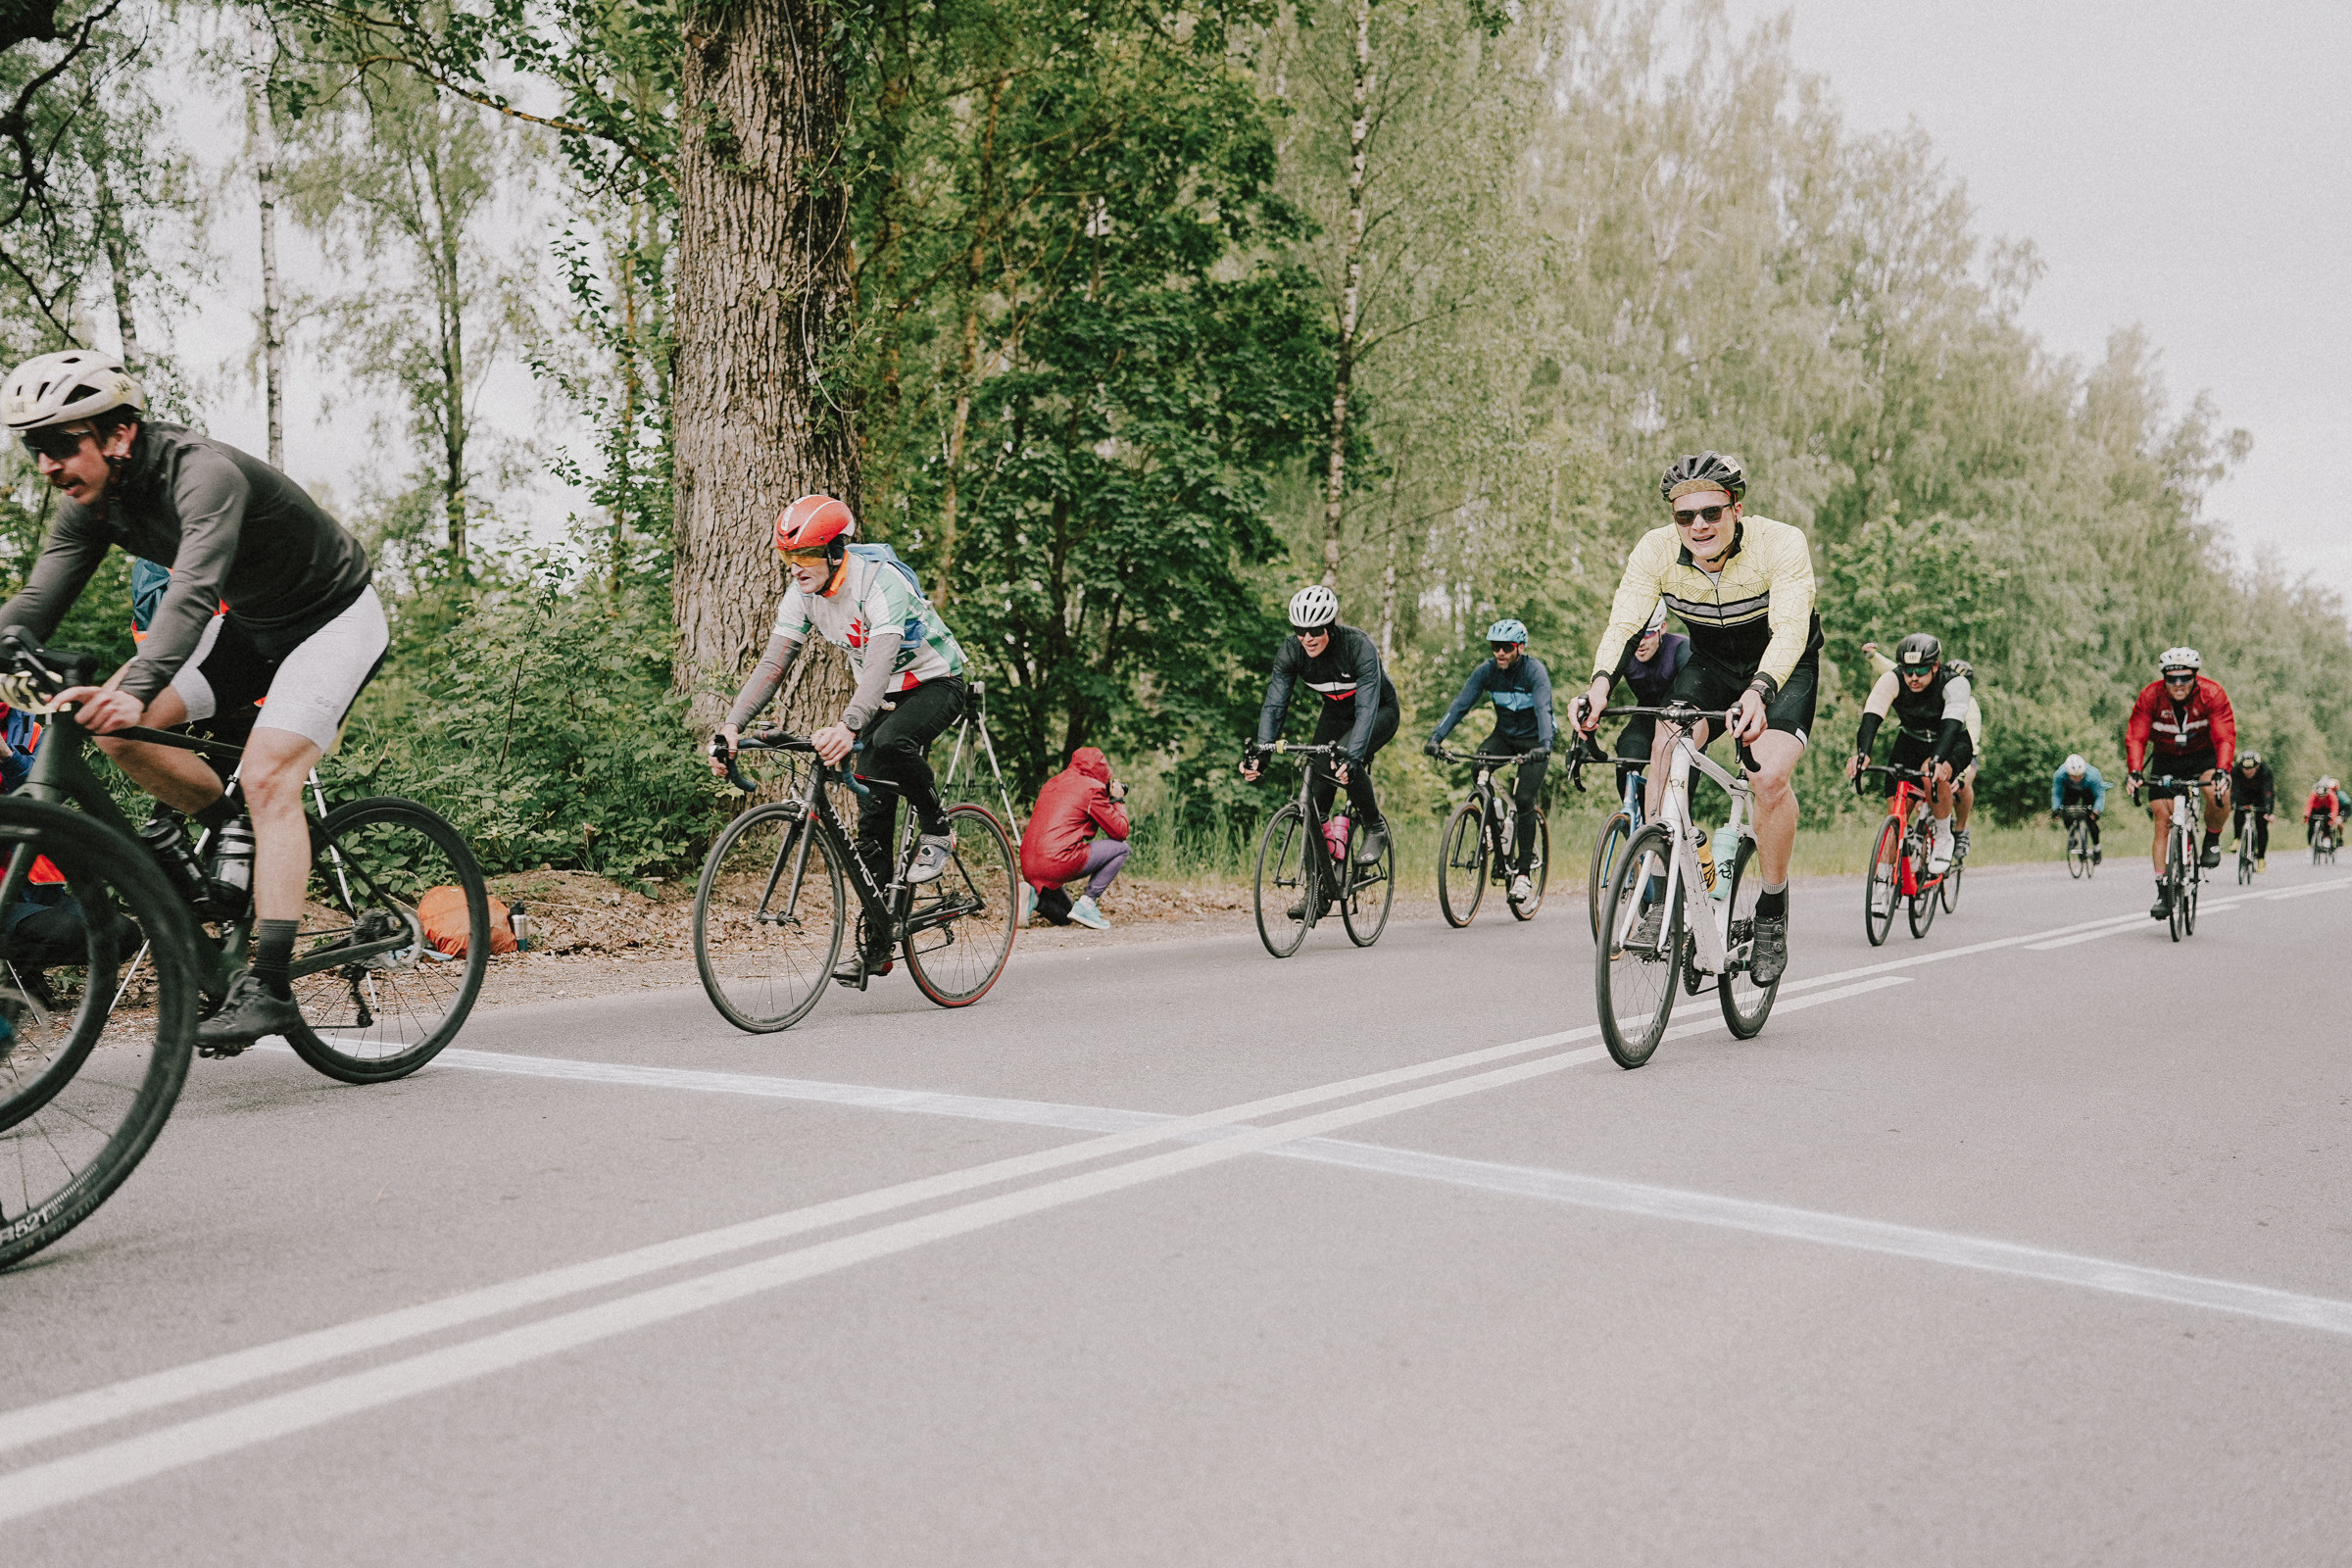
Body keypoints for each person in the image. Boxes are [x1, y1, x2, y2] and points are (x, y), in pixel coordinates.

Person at [0, 348, 384, 1051]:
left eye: (61, 445)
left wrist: (138, 683)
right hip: (254, 626)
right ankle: (226, 821)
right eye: (35, 449)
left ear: (118, 434)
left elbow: (192, 593)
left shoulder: (202, 473)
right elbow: (35, 602)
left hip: (333, 617)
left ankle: (268, 988)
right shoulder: (90, 504)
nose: (48, 466)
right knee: (120, 734)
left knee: (271, 778)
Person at [1572, 451, 1818, 987]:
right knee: (1665, 751)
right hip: (1709, 663)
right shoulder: (1656, 551)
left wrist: (1760, 692)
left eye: (1711, 512)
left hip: (1782, 665)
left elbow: (1790, 631)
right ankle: (1664, 893)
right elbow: (1625, 623)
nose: (1698, 526)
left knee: (1767, 777)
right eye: (1685, 517)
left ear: (1737, 508)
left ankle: (1771, 911)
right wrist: (1596, 687)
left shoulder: (1781, 543)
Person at [711, 494, 971, 983]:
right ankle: (879, 944)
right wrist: (733, 724)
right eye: (787, 557)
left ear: (836, 551)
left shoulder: (879, 584)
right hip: (882, 695)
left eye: (804, 556)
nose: (794, 567)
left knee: (891, 744)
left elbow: (879, 662)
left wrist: (850, 725)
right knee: (872, 815)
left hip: (935, 682)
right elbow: (774, 663)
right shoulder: (804, 595)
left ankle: (938, 827)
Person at [1243, 586, 1398, 898]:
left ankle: (1374, 825)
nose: (1307, 637)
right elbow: (1275, 705)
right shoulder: (1292, 650)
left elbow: (1366, 707)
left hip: (1378, 711)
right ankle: (1317, 892)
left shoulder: (1358, 646)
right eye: (1299, 630)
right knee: (1314, 797)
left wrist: (1351, 757)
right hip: (1336, 713)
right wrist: (1262, 752)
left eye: (1314, 630)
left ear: (1329, 626)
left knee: (1341, 761)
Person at [1424, 617, 1556, 906]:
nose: (1500, 653)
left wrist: (1545, 746)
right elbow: (1460, 705)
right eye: (1495, 647)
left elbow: (1545, 710)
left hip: (1535, 741)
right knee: (1478, 767)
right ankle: (1493, 822)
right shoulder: (1487, 672)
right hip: (1505, 737)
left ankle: (1523, 874)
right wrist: (1436, 738)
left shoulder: (1535, 672)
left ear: (1520, 647)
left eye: (1506, 647)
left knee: (1524, 799)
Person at [1845, 633, 1973, 874]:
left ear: (1935, 666)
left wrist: (1939, 761)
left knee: (1930, 773)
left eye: (1921, 670)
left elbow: (1951, 727)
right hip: (1910, 742)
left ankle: (1945, 837)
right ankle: (1882, 882)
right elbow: (1871, 717)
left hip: (1951, 741)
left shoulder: (1954, 683)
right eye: (1908, 671)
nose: (1913, 677)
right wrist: (1862, 754)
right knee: (1896, 817)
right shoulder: (1891, 679)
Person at [2125, 647, 2234, 921]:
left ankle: (2211, 837)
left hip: (2202, 756)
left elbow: (2224, 736)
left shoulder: (2213, 694)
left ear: (2195, 676)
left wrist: (2223, 770)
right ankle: (2164, 891)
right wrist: (2135, 771)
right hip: (2166, 758)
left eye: (2184, 678)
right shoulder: (2150, 696)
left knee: (2218, 790)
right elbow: (2136, 736)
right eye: (2171, 678)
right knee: (2163, 819)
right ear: (2163, 677)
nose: (2178, 685)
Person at [1019, 747, 1130, 930]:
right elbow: (1120, 831)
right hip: (1057, 861)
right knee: (1122, 848)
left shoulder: (1052, 783)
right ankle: (1087, 903)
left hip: (1029, 865)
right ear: (1102, 770)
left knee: (1065, 916)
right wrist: (1117, 800)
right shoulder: (1092, 788)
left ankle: (1034, 897)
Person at [2050, 754, 2105, 863]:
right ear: (2067, 773)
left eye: (2080, 776)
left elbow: (2100, 795)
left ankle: (2097, 848)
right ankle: (2073, 837)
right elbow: (2057, 794)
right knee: (2066, 812)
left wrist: (2096, 810)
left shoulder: (2093, 775)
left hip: (2088, 791)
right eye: (2074, 776)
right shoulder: (2060, 775)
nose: (2077, 779)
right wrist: (2056, 809)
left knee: (2091, 820)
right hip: (2071, 791)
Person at [2230, 750, 2276, 871]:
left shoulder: (2265, 771)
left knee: (2262, 826)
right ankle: (2237, 838)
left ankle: (2261, 859)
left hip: (2260, 795)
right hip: (2243, 793)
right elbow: (2233, 789)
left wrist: (2269, 812)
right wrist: (2229, 804)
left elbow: (2269, 792)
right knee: (2239, 810)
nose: (2248, 772)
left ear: (2258, 766)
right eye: (2245, 769)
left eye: (2251, 769)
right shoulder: (2236, 770)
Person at [2308, 776, 2344, 849]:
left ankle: (2327, 837)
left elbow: (2334, 807)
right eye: (2319, 796)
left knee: (2327, 821)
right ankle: (2310, 845)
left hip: (2327, 809)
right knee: (2311, 825)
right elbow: (2309, 805)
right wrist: (2306, 815)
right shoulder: (2314, 794)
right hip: (2316, 809)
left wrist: (2333, 818)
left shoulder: (2332, 795)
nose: (2321, 797)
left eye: (2323, 796)